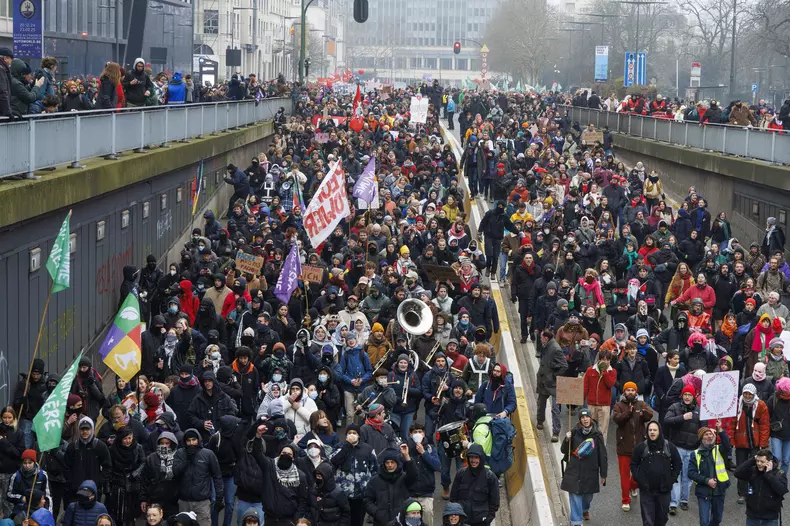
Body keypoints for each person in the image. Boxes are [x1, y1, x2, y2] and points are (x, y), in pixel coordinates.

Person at [560, 408, 607, 525]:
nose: (585, 419)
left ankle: (585, 509)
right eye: (582, 417)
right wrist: (567, 439)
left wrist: (603, 474)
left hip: (590, 471)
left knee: (587, 497)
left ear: (591, 418)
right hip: (574, 470)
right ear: (580, 419)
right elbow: (563, 450)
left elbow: (603, 455)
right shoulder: (574, 432)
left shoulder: (597, 435)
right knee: (575, 494)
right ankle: (576, 521)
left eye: (587, 417)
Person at [631, 421, 683, 526]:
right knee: (648, 521)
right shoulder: (641, 447)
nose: (652, 432)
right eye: (650, 430)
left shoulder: (670, 447)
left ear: (659, 431)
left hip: (664, 491)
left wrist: (671, 479)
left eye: (655, 430)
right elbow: (633, 464)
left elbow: (678, 464)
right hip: (646, 490)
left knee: (662, 519)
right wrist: (638, 478)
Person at [612, 381, 653, 512]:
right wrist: (629, 412)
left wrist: (643, 413)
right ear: (624, 392)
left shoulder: (641, 404)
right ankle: (625, 500)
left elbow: (650, 414)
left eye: (632, 390)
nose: (630, 392)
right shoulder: (618, 405)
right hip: (623, 446)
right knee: (624, 476)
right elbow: (617, 419)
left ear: (636, 392)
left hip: (639, 447)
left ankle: (633, 486)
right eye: (628, 390)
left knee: (639, 475)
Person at [172, 428, 224, 525]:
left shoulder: (208, 454)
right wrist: (186, 459)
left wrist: (219, 498)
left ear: (198, 440)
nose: (191, 443)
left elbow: (217, 476)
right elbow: (175, 472)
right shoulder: (180, 453)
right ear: (185, 441)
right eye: (188, 440)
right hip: (184, 501)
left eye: (194, 440)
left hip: (202, 502)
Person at [664, 384, 702, 514]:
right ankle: (673, 503)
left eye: (689, 395)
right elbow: (667, 420)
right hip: (677, 447)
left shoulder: (699, 411)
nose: (687, 397)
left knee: (687, 476)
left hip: (692, 449)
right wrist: (682, 418)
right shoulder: (674, 407)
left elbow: (704, 429)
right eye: (685, 394)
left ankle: (684, 500)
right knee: (676, 475)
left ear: (694, 397)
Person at [687, 424, 731, 526]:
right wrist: (707, 481)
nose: (709, 436)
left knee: (717, 519)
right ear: (701, 438)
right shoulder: (695, 454)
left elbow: (727, 446)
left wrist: (720, 430)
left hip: (719, 491)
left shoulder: (719, 449)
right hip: (703, 491)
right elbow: (691, 473)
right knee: (704, 522)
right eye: (706, 434)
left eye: (711, 434)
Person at [364, 445, 418, 526]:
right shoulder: (375, 480)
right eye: (387, 462)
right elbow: (367, 500)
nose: (390, 465)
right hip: (381, 522)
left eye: (392, 462)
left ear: (397, 463)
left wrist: (406, 456)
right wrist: (377, 513)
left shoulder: (404, 478)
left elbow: (414, 475)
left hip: (401, 521)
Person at [734, 448, 789, 526]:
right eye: (757, 461)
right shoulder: (753, 471)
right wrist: (753, 459)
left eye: (762, 461)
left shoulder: (779, 474)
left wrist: (769, 475)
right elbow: (737, 472)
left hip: (770, 519)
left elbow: (782, 490)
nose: (759, 463)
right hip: (752, 517)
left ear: (770, 462)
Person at [449, 444, 499, 526]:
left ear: (481, 458)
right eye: (471, 457)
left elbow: (494, 502)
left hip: (481, 522)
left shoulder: (490, 477)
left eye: (476, 457)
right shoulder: (461, 474)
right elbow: (453, 498)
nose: (473, 460)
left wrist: (488, 519)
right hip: (462, 521)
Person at [536, 330, 568, 442]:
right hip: (544, 380)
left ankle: (556, 432)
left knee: (555, 408)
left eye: (541, 337)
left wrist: (554, 376)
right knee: (541, 402)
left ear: (545, 338)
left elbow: (564, 365)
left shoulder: (555, 349)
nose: (540, 339)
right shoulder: (546, 346)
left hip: (553, 383)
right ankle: (540, 421)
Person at [0, 47, 12, 117]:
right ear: (5, 58)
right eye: (11, 59)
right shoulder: (1, 70)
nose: (11, 62)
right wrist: (8, 112)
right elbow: (2, 91)